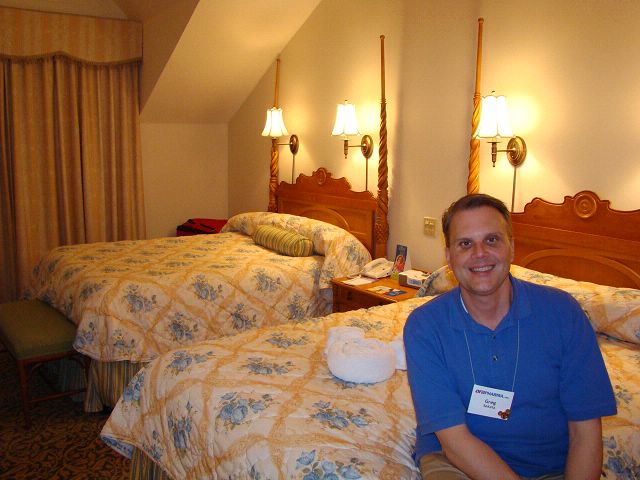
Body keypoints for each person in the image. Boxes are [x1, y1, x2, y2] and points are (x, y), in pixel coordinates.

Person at [403, 193, 617, 480]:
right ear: (449, 257)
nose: (480, 253)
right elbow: (455, 442)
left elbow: (585, 432)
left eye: (492, 240)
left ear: (511, 248)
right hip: (455, 460)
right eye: (465, 243)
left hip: (550, 464)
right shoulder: (425, 326)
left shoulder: (563, 314)